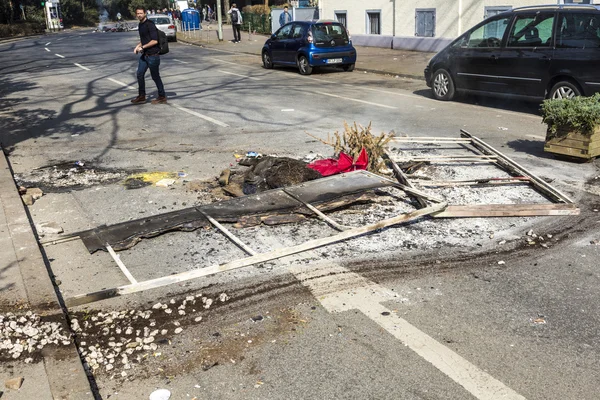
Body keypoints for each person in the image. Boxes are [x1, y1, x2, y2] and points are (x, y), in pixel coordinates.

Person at [131, 7, 167, 105]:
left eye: (141, 13)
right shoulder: (140, 24)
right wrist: (137, 46)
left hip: (153, 55)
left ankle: (162, 96)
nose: (139, 15)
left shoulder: (150, 24)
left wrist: (142, 47)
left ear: (145, 14)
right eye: (137, 13)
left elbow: (154, 40)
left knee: (155, 76)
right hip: (145, 55)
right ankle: (142, 95)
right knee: (139, 74)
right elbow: (144, 39)